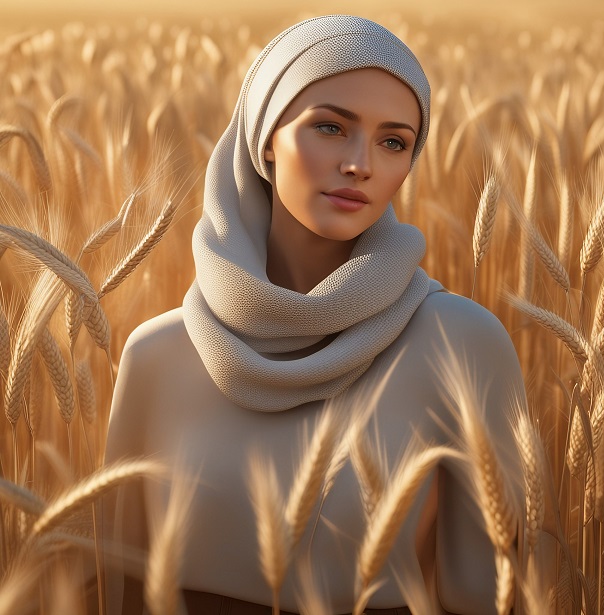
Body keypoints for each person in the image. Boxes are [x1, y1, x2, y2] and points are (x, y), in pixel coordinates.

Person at [103, 14, 525, 615]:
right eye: (330, 127)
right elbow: (115, 590)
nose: (361, 164)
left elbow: (493, 597)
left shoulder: (460, 342)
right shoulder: (156, 357)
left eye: (393, 141)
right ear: (264, 137)